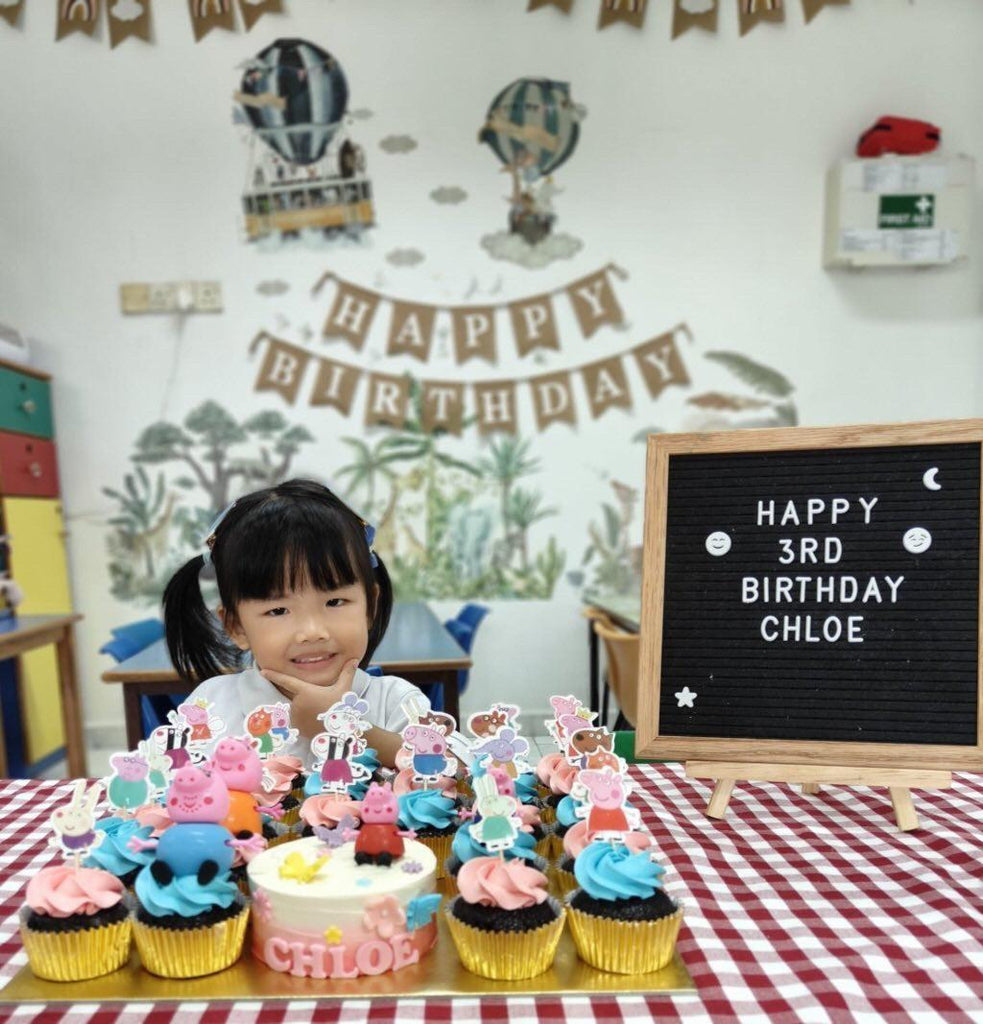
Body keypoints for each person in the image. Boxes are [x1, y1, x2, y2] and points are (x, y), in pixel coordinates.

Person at [162, 479, 429, 769]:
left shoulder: (395, 701)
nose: (312, 631)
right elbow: (164, 784)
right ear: (236, 627)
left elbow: (459, 771)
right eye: (278, 610)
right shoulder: (210, 706)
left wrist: (344, 727)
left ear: (370, 607)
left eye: (335, 602)